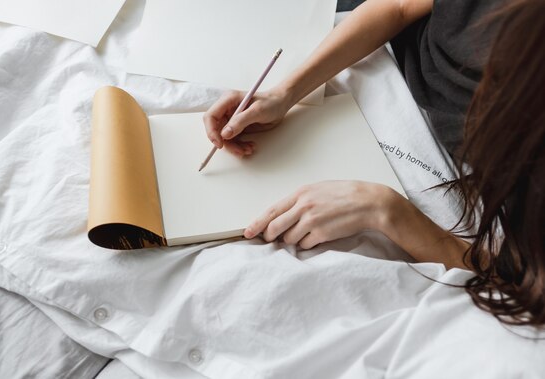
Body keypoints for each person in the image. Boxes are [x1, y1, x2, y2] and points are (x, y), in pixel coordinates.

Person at [203, 0, 545, 326]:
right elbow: (398, 6)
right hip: (389, 49)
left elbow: (519, 280)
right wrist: (284, 93)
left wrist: (386, 210)